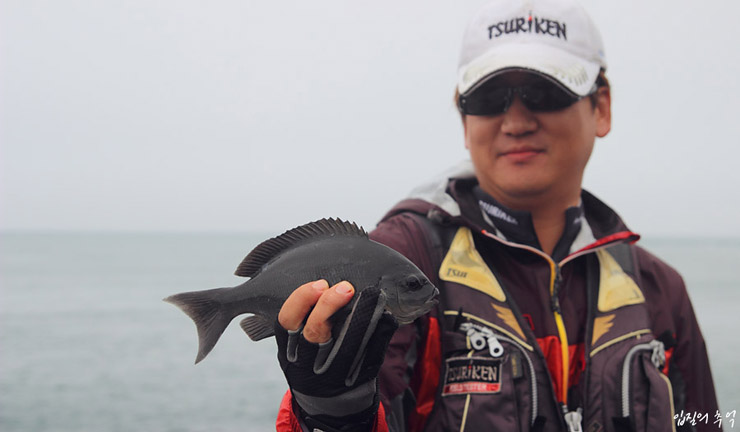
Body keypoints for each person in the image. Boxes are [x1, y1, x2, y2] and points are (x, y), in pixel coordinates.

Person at [272, 0, 720, 431]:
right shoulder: (406, 257)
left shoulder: (661, 291)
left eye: (544, 92)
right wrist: (331, 414)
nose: (516, 121)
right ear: (464, 118)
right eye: (489, 98)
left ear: (600, 106)